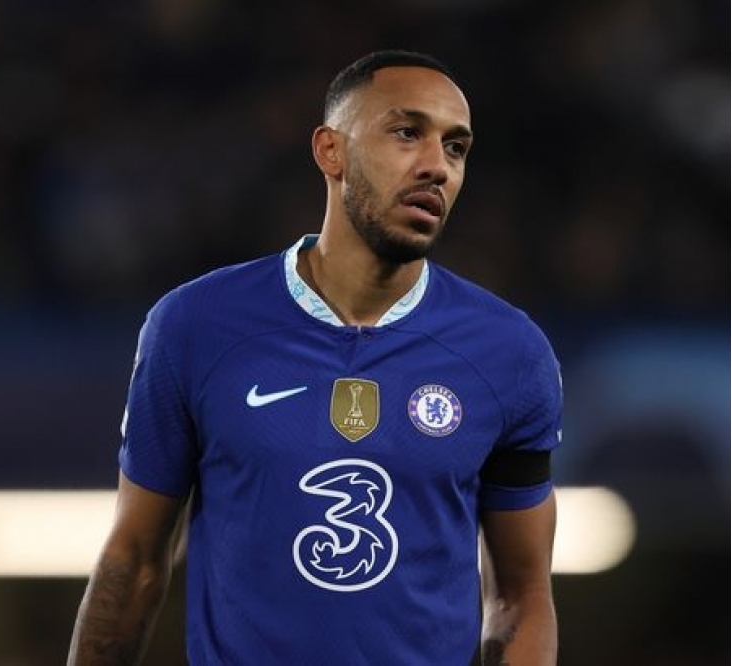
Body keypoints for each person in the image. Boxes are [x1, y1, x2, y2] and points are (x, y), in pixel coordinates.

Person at [67, 49, 563, 666]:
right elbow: (135, 561)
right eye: (407, 133)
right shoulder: (194, 327)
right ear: (331, 151)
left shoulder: (511, 354)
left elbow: (521, 596)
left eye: (455, 148)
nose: (437, 166)